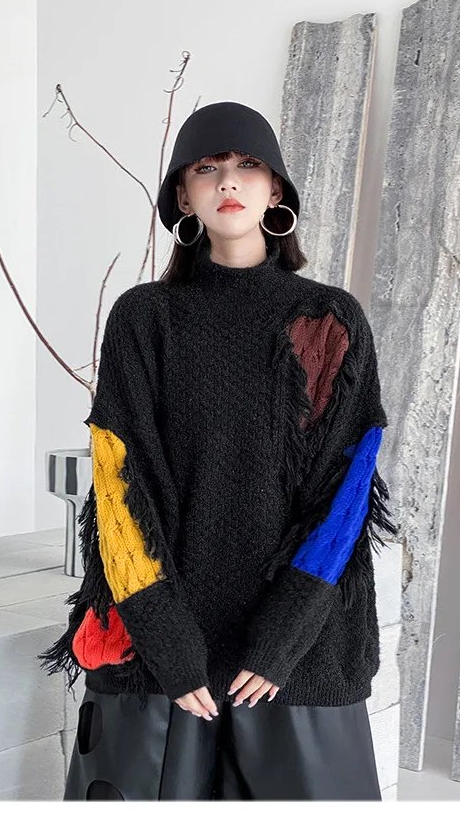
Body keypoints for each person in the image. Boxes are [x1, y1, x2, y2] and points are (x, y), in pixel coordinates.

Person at [38, 101, 400, 800]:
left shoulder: (328, 320)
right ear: (183, 195)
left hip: (296, 653)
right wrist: (167, 641)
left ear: (275, 189)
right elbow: (118, 482)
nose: (227, 180)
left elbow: (346, 493)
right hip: (161, 651)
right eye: (206, 168)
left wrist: (282, 636)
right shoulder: (145, 317)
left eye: (247, 165)